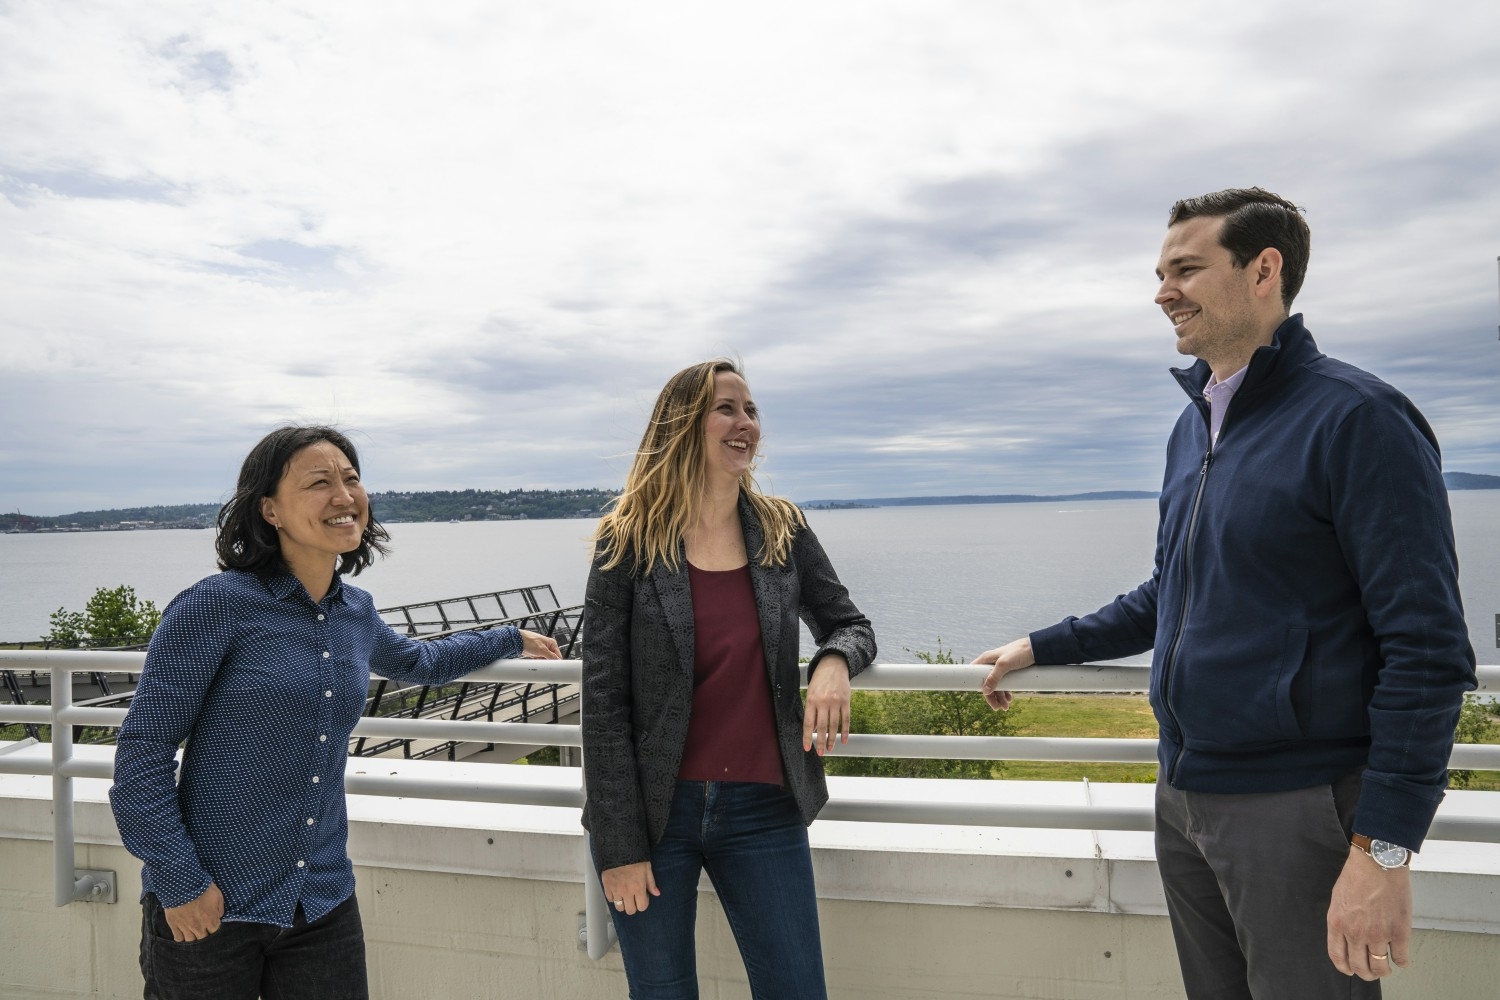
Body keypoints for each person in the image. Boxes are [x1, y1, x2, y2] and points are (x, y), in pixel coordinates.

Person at [974, 188, 1476, 999]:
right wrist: (1045, 645)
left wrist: (1383, 852)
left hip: (1297, 809)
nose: (1163, 291)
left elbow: (1428, 650)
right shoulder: (1196, 426)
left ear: (1264, 270)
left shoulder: (1358, 420)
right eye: (1160, 272)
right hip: (1185, 797)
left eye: (1186, 269)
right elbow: (1171, 591)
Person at [109, 425, 561, 1000]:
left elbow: (417, 660)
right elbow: (141, 757)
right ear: (269, 509)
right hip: (212, 901)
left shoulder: (355, 611)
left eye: (351, 479)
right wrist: (179, 881)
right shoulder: (217, 606)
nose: (344, 496)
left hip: (321, 900)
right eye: (319, 483)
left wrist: (506, 639)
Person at [581, 359, 876, 999]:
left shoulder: (782, 529)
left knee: (798, 990)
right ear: (684, 424)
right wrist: (618, 846)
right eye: (727, 409)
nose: (746, 424)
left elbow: (849, 622)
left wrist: (832, 662)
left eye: (751, 411)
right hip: (656, 818)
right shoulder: (625, 543)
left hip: (766, 808)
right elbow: (602, 707)